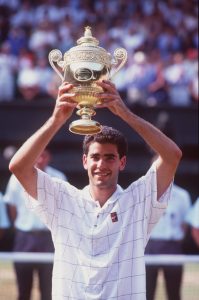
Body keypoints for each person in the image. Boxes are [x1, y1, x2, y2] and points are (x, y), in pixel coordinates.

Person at [8, 80, 182, 299]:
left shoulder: (138, 200)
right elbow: (18, 166)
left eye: (110, 158)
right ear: (84, 161)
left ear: (122, 162)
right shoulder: (62, 198)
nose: (101, 165)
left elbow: (172, 156)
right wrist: (56, 119)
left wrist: (125, 113)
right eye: (95, 157)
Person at [4, 149, 67, 300]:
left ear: (48, 157)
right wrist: (22, 226)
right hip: (24, 238)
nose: (39, 159)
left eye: (43, 155)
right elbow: (12, 208)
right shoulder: (16, 178)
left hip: (49, 238)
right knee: (23, 290)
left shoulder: (58, 177)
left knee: (48, 290)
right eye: (37, 155)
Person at [145, 181, 192, 300]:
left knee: (174, 292)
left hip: (172, 246)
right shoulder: (143, 194)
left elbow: (185, 223)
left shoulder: (182, 195)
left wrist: (175, 241)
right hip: (149, 247)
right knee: (145, 292)